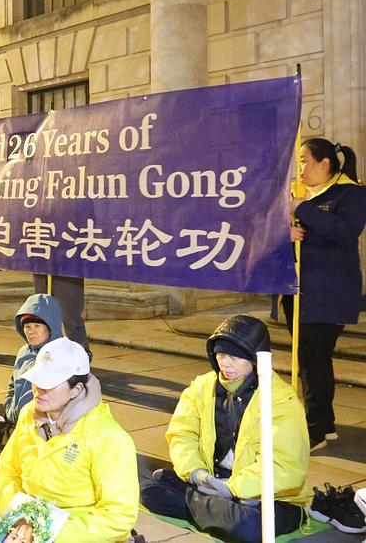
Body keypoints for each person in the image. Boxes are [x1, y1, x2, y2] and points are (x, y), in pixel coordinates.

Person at [0, 338, 139, 543]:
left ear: (76, 389)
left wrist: (45, 533)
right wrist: (19, 521)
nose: (39, 389)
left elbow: (119, 518)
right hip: (27, 518)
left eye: (49, 384)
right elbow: (9, 471)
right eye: (37, 380)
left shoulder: (108, 436)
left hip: (73, 532)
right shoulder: (29, 413)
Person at [139, 315, 309, 541]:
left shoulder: (280, 400)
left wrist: (233, 489)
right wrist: (195, 472)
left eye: (234, 357)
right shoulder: (202, 387)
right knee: (148, 491)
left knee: (247, 527)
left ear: (255, 359)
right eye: (220, 355)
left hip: (266, 496)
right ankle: (212, 507)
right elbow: (182, 435)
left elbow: (284, 465)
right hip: (211, 480)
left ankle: (200, 502)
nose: (225, 364)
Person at [283, 137, 366, 450]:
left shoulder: (351, 193)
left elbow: (344, 231)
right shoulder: (300, 194)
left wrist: (302, 208)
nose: (300, 168)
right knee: (313, 361)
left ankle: (314, 431)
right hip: (298, 292)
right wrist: (286, 232)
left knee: (312, 360)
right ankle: (325, 424)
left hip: (328, 294)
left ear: (325, 163)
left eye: (305, 161)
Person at [0, 293, 83, 448]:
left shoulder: (60, 355)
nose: (31, 331)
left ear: (51, 327)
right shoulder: (24, 352)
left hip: (43, 421)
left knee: (27, 442)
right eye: (27, 327)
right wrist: (9, 408)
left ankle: (4, 429)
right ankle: (6, 426)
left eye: (37, 326)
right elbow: (12, 385)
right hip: (17, 416)